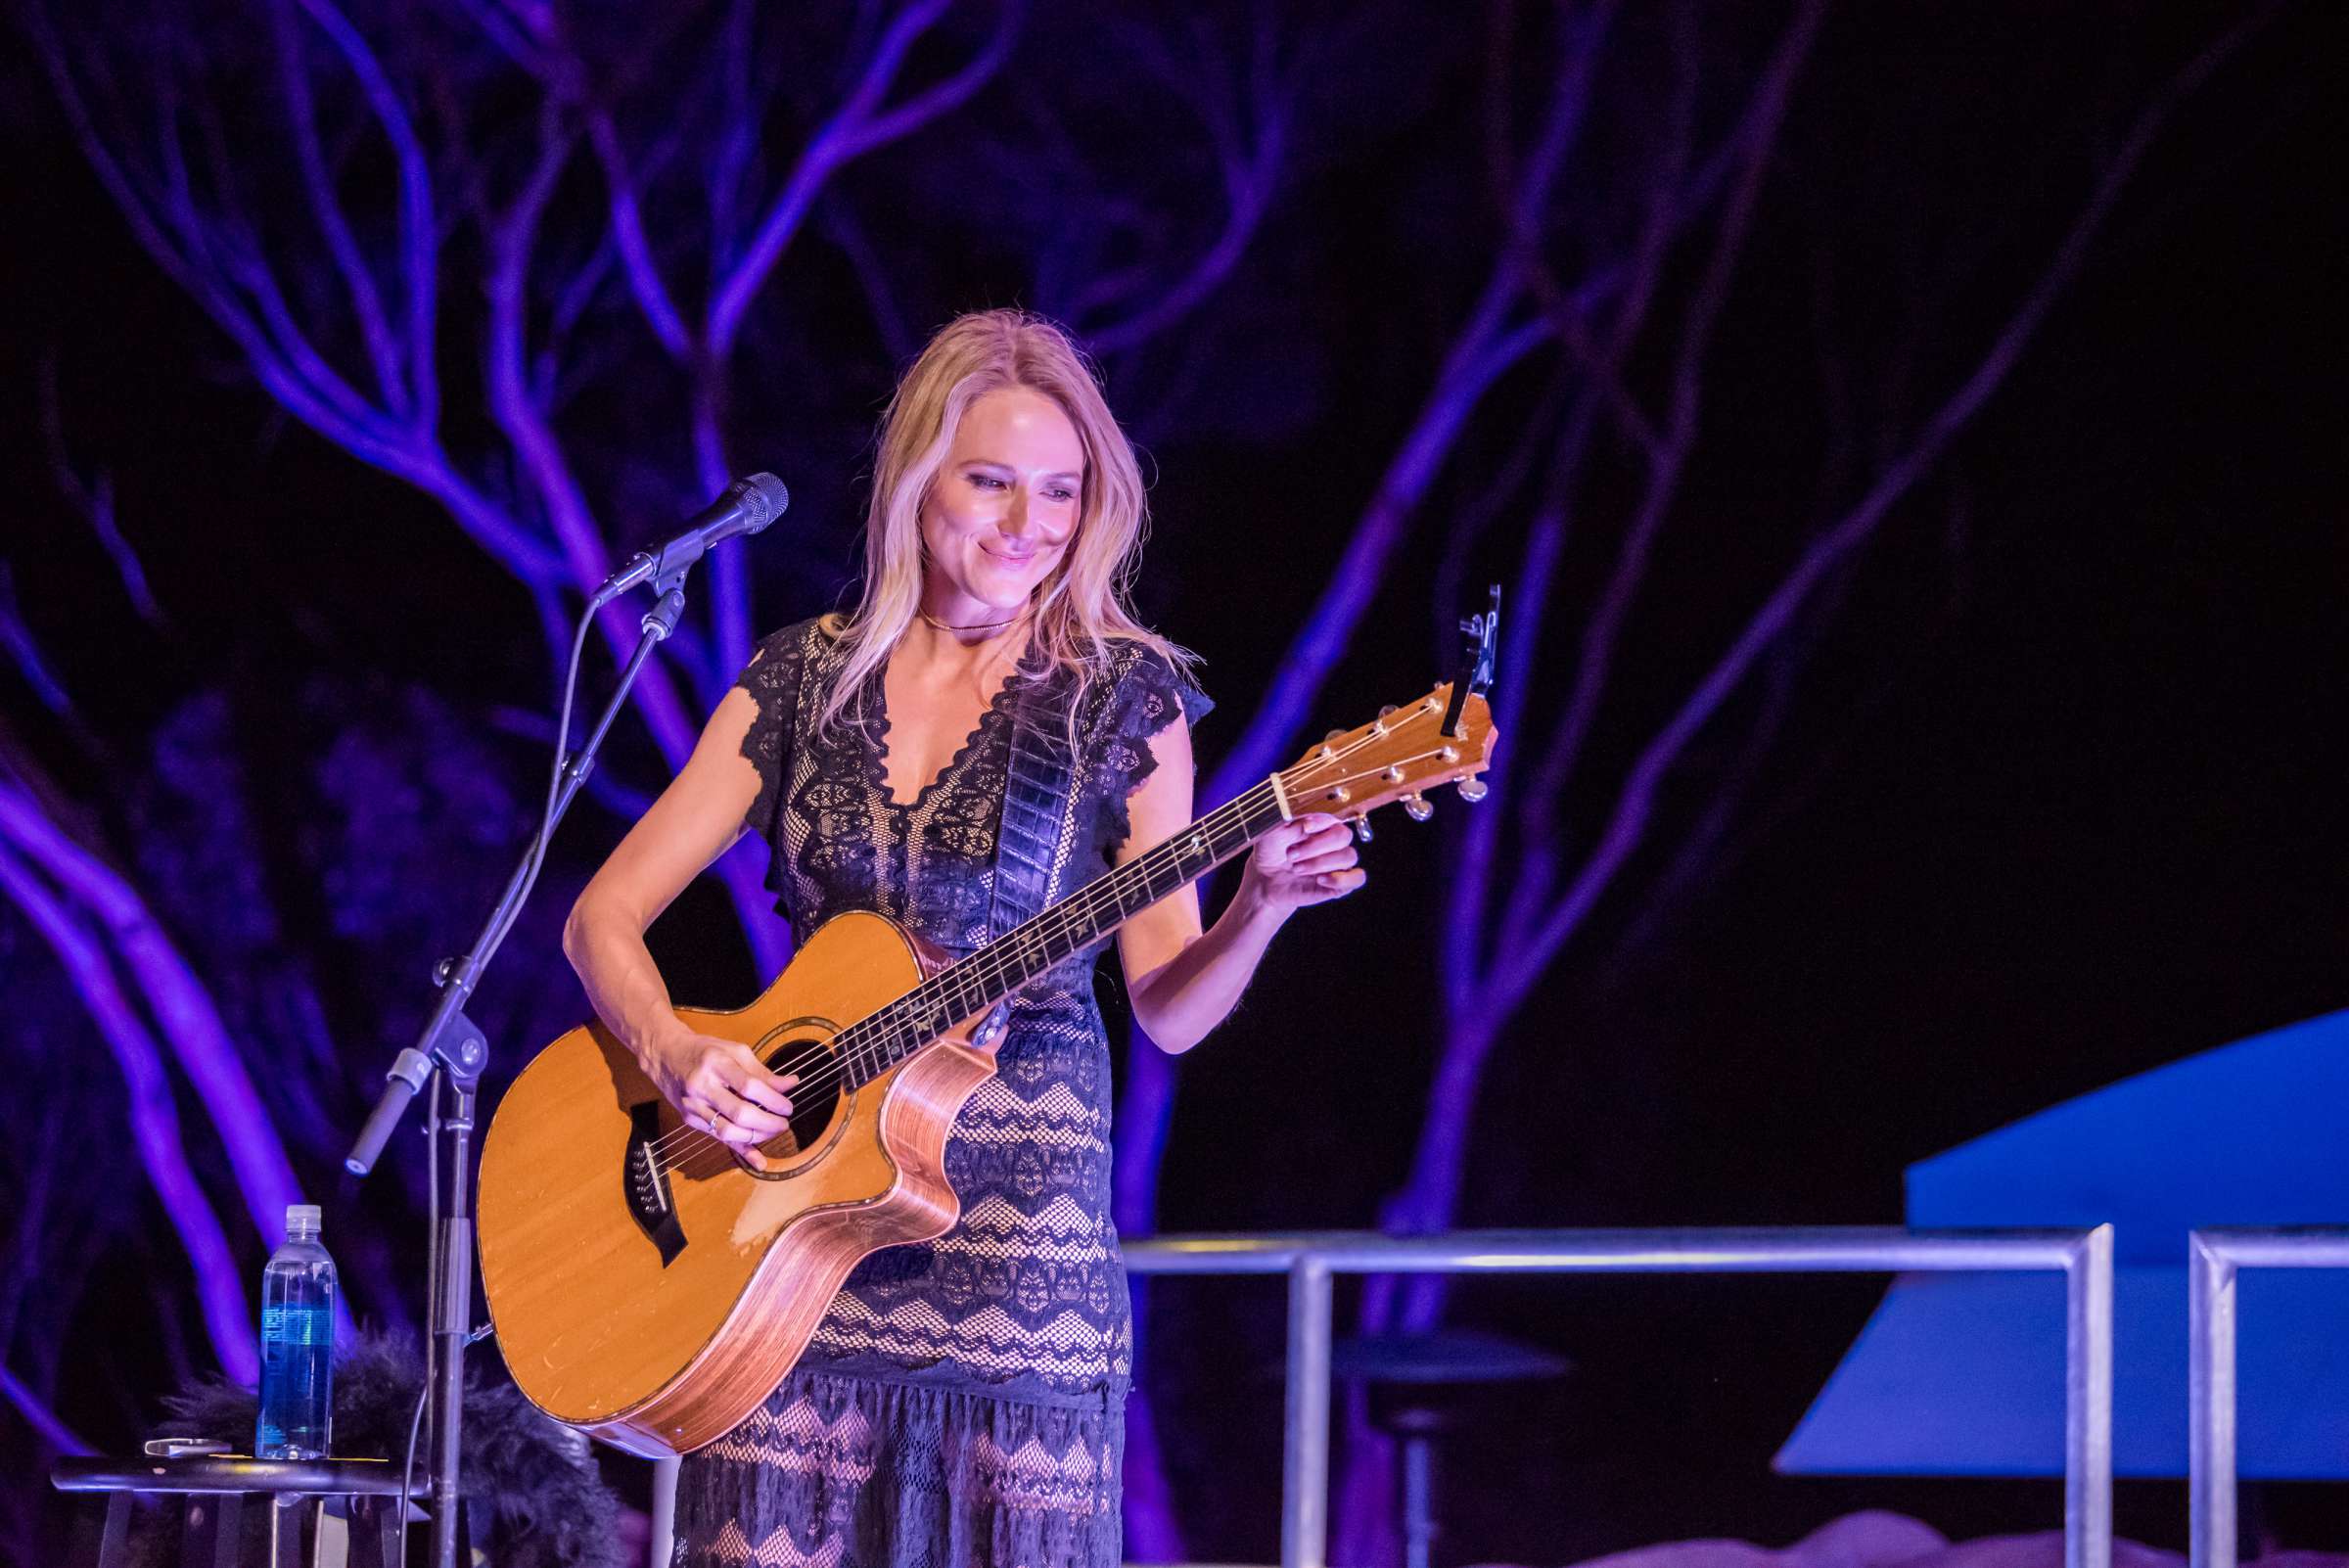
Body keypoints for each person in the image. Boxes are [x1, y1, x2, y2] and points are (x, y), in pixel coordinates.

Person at [563, 308, 1364, 1567]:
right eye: (991, 481)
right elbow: (601, 914)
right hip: (786, 1243)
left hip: (1016, 1261)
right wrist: (670, 1051)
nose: (1028, 524)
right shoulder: (801, 679)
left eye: (1059, 491)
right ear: (918, 479)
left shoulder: (1125, 698)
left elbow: (1169, 1006)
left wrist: (1261, 903)